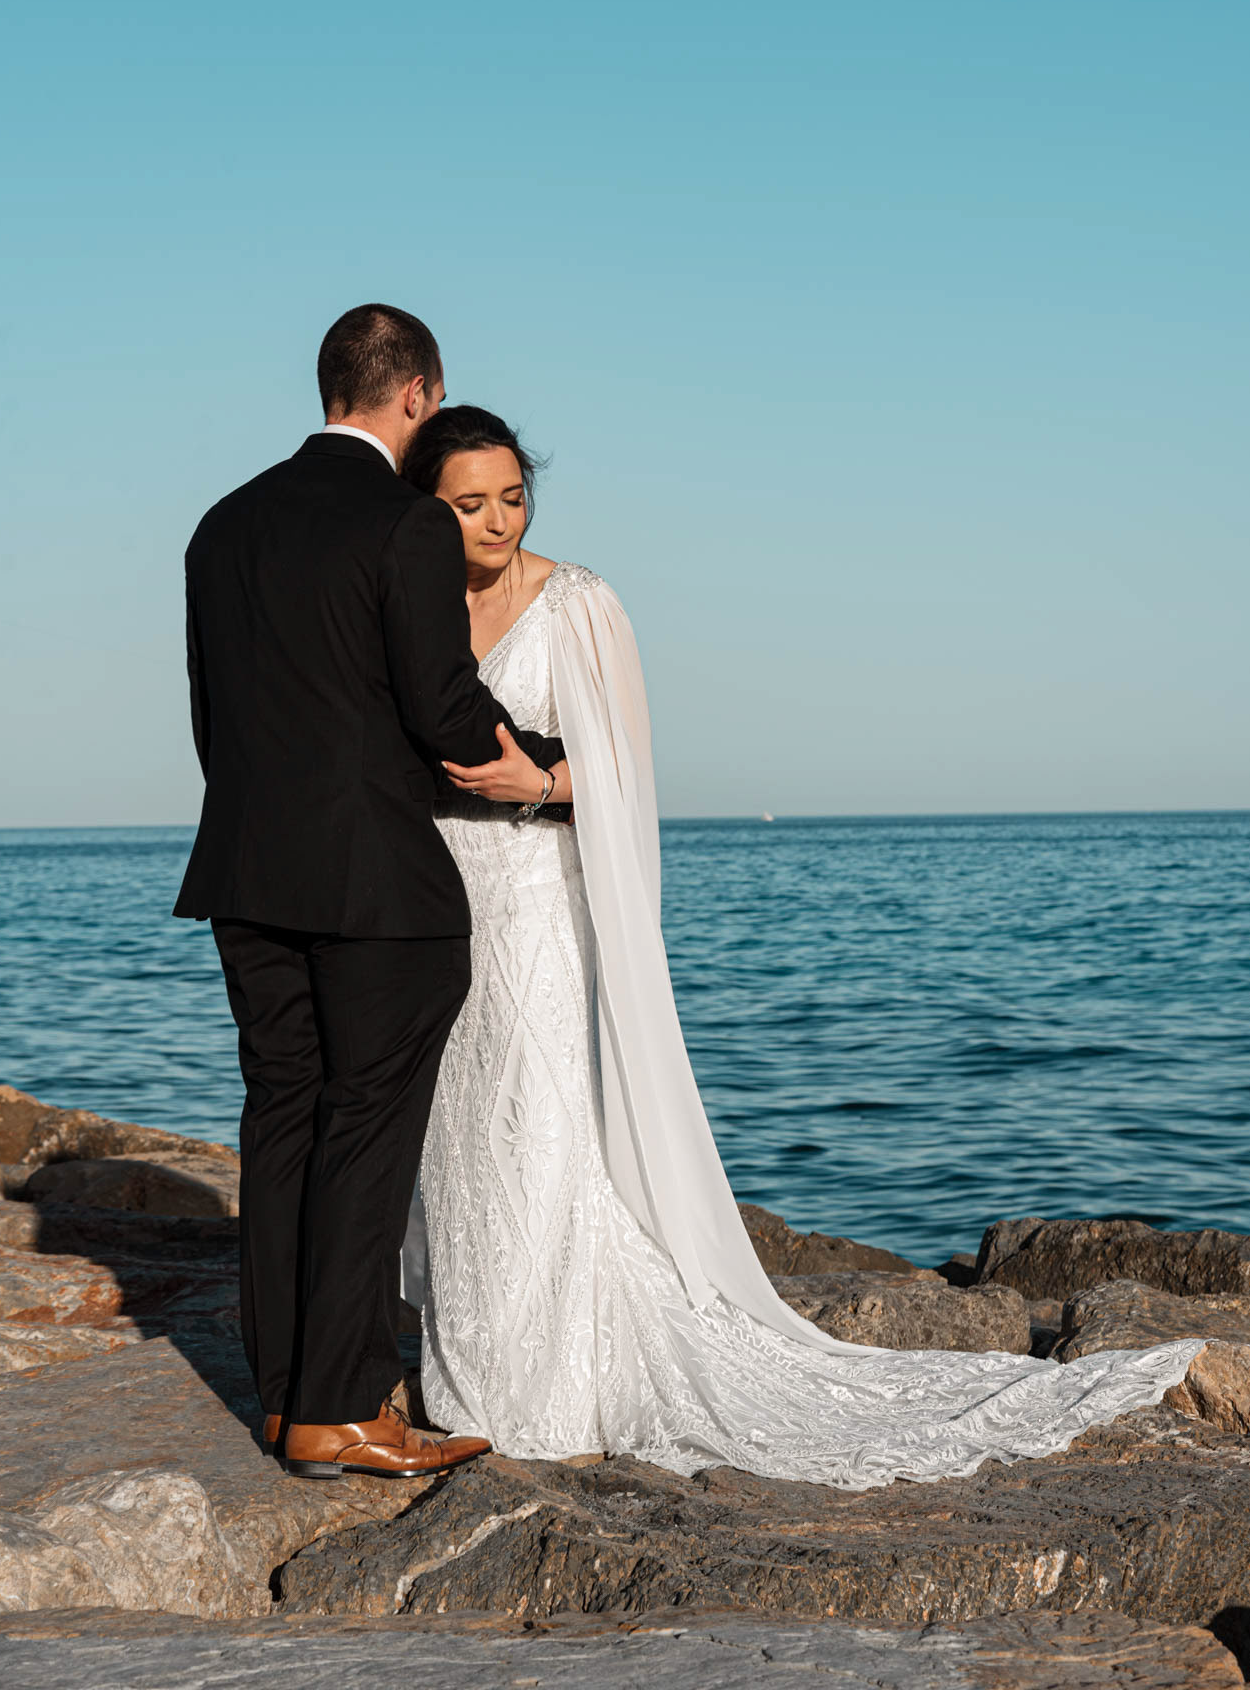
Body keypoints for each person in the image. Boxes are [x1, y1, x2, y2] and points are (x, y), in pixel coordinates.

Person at [401, 405, 1203, 1489]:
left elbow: (630, 775)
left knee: (541, 1134)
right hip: (438, 907)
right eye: (468, 504)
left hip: (543, 905)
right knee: (459, 1143)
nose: (497, 521)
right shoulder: (411, 606)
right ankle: (470, 1382)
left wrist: (535, 785)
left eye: (512, 496)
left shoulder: (580, 605)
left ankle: (553, 1389)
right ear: (425, 508)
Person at [175, 307, 565, 1481]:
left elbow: (218, 724)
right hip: (380, 890)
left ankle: (288, 1399)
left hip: (246, 870)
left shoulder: (219, 526)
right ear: (420, 396)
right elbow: (444, 714)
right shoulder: (404, 528)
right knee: (363, 1136)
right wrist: (557, 763)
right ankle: (345, 1406)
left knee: (281, 1123)